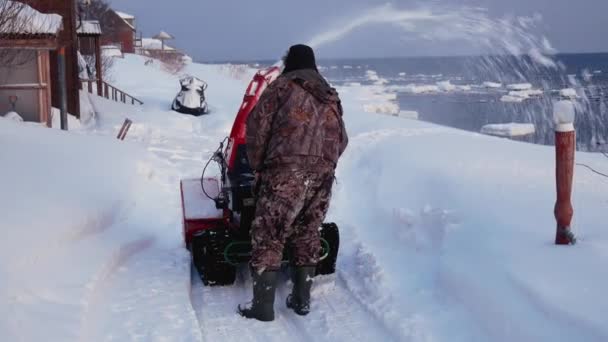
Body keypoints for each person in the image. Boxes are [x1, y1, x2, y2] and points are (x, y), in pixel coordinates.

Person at [238, 44, 348, 322]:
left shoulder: (281, 87)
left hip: (285, 170)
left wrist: (259, 166)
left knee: (270, 232)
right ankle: (301, 301)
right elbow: (343, 139)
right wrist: (324, 163)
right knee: (308, 231)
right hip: (323, 175)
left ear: (291, 62)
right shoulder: (330, 94)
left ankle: (262, 307)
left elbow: (257, 128)